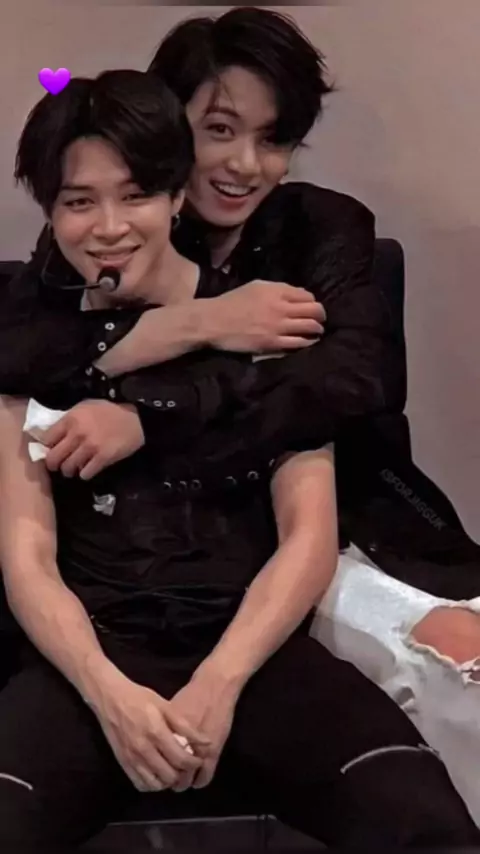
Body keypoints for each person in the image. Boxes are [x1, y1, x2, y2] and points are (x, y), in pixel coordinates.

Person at [0, 69, 478, 852]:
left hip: (251, 650)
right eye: (79, 202)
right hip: (89, 657)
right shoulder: (30, 342)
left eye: (135, 195)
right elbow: (27, 556)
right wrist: (109, 693)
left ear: (174, 195)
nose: (109, 227)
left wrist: (220, 683)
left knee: (423, 822)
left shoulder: (266, 320)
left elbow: (308, 537)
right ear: (52, 212)